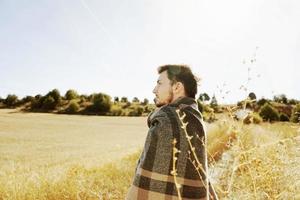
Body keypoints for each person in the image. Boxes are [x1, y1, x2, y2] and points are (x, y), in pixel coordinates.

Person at [126, 65, 218, 200]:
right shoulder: (196, 118)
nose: (154, 90)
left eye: (159, 83)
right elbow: (201, 172)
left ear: (176, 87)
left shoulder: (165, 119)